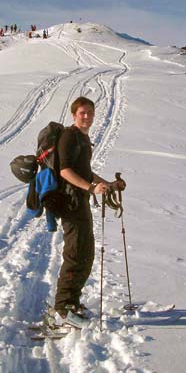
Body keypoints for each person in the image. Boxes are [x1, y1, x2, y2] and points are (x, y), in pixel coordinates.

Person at [54, 96, 125, 324]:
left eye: (90, 112)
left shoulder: (83, 139)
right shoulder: (69, 136)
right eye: (82, 112)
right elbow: (64, 171)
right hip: (70, 202)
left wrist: (108, 185)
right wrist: (91, 187)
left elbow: (84, 172)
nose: (87, 116)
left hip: (80, 201)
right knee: (76, 255)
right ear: (74, 114)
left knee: (86, 254)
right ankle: (62, 310)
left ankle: (72, 303)